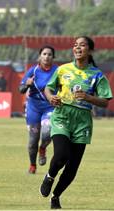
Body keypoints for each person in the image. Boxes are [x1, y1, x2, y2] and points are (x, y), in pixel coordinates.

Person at [40, 36, 112, 209]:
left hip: (83, 122)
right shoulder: (63, 69)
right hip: (62, 116)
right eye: (75, 45)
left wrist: (88, 97)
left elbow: (105, 101)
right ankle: (49, 176)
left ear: (90, 50)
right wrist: (51, 98)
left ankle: (56, 196)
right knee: (62, 155)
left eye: (82, 45)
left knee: (72, 168)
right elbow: (48, 88)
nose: (78, 48)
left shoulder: (97, 75)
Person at [19, 45, 58, 174]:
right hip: (33, 108)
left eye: (50, 54)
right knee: (32, 140)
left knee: (47, 133)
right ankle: (32, 165)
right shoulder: (32, 71)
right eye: (44, 54)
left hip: (50, 107)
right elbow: (21, 90)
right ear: (40, 56)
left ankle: (43, 148)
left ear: (53, 57)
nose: (47, 57)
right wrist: (27, 84)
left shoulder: (58, 71)